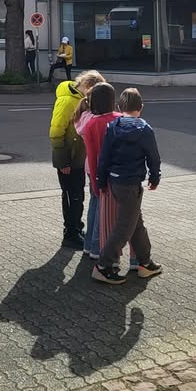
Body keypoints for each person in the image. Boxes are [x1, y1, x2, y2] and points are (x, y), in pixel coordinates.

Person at [94, 87, 163, 284]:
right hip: (131, 183)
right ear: (141, 107)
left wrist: (101, 181)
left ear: (119, 107)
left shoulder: (112, 127)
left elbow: (104, 157)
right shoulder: (144, 129)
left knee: (135, 223)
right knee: (124, 227)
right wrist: (155, 177)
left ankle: (145, 262)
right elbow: (153, 157)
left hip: (115, 181)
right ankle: (104, 265)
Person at [49, 70, 105, 249]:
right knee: (72, 196)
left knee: (77, 196)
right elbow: (56, 131)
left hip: (79, 159)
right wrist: (63, 161)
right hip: (69, 160)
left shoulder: (83, 100)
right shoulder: (67, 101)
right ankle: (70, 234)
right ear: (88, 87)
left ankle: (76, 228)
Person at [74, 82, 120, 260]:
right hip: (106, 170)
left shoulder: (86, 118)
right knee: (103, 209)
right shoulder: (113, 120)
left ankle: (88, 245)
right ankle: (97, 247)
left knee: (94, 204)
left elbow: (91, 154)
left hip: (90, 167)